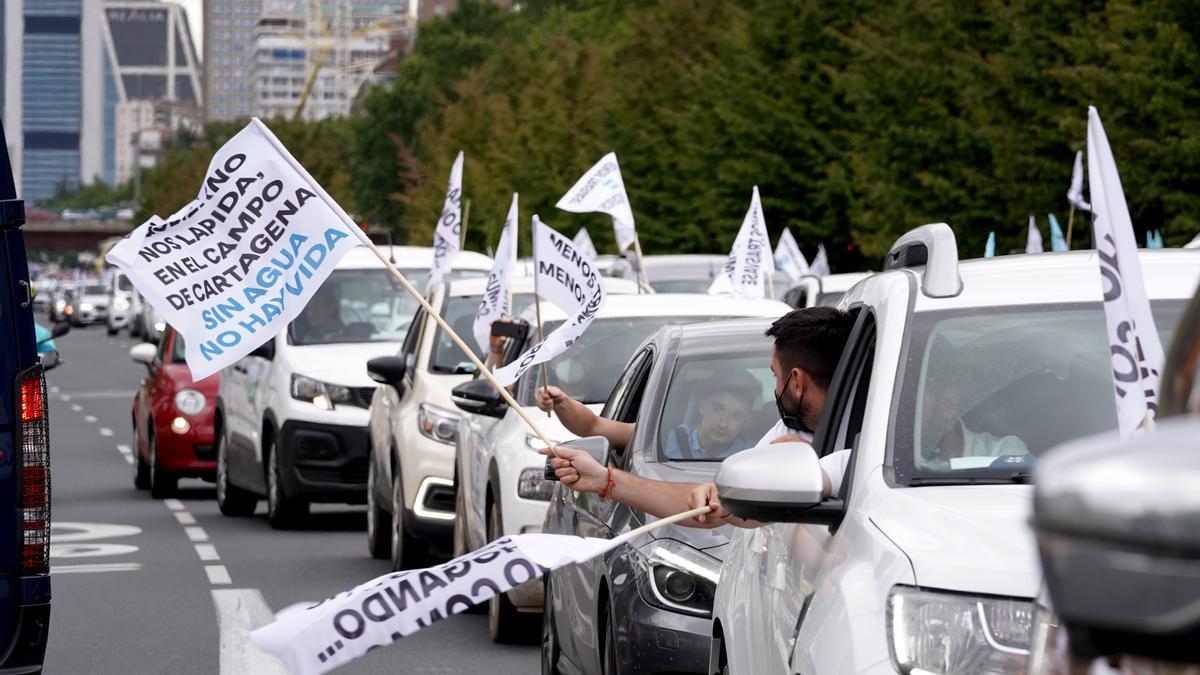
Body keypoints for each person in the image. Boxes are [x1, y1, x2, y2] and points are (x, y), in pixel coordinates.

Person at [541, 307, 856, 526]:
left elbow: (721, 507)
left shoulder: (864, 443)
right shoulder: (786, 436)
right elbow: (717, 507)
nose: (775, 390)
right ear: (703, 407)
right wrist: (604, 480)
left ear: (797, 382)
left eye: (774, 377)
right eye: (718, 409)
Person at [663, 369, 760, 460]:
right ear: (702, 406)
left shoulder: (755, 454)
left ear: (747, 421)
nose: (723, 424)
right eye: (717, 410)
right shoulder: (666, 443)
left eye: (735, 416)